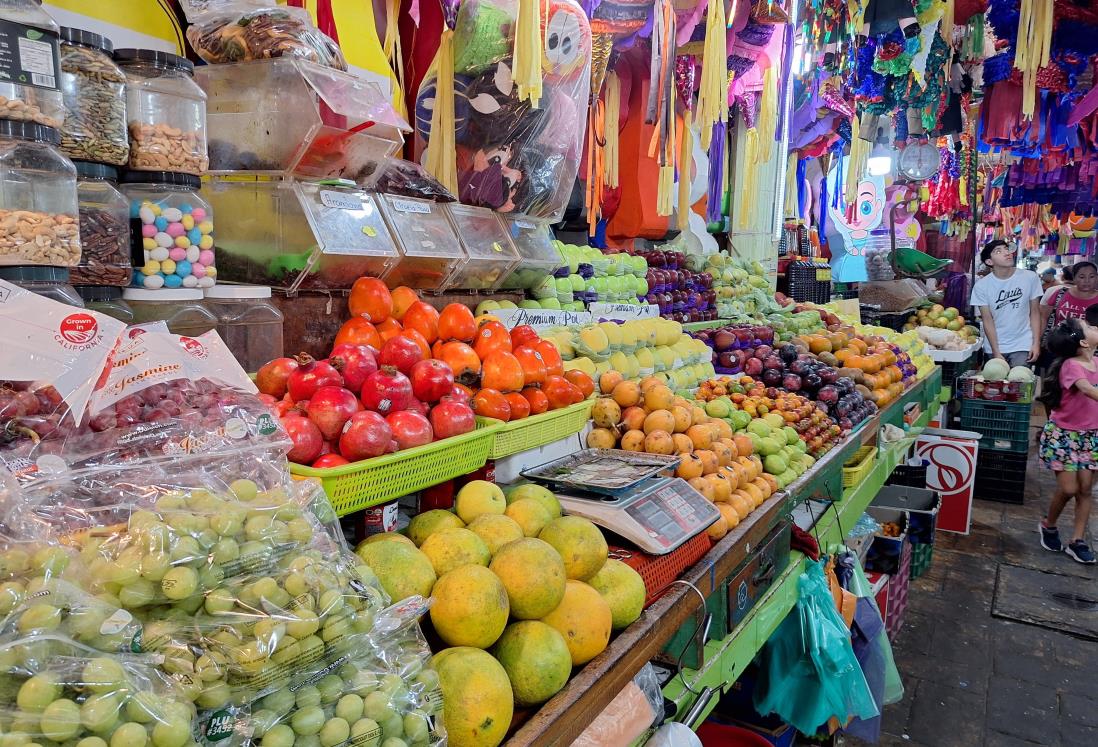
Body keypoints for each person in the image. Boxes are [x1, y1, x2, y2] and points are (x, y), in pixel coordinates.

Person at [1037, 318, 1098, 564]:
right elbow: (1086, 389)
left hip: (1092, 436)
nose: (1095, 327)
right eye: (1090, 327)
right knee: (1069, 488)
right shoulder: (1071, 366)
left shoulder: (1096, 361)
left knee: (1085, 490)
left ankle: (1077, 540)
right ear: (1084, 342)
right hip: (1065, 437)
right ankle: (1049, 525)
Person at [969, 240, 1043, 366]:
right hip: (994, 345)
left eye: (1006, 249)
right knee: (994, 384)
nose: (1007, 253)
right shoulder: (981, 286)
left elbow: (1035, 313)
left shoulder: (1030, 277)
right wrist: (996, 351)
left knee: (1019, 381)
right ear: (989, 262)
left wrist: (1036, 343)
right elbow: (987, 320)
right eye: (999, 251)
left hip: (1023, 344)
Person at [1040, 261, 1098, 327]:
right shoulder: (1060, 294)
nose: (1087, 281)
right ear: (1074, 278)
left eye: (1092, 276)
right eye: (1082, 277)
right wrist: (1038, 337)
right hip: (1059, 336)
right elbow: (1043, 318)